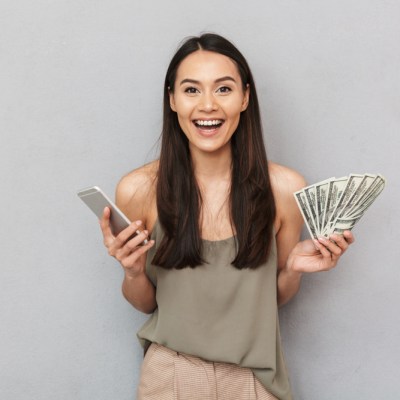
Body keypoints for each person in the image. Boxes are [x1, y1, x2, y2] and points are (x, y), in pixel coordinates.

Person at [100, 33, 354, 400]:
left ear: (245, 97)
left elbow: (272, 299)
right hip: (170, 375)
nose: (207, 106)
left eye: (223, 89)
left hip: (255, 380)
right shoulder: (138, 189)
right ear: (171, 99)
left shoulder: (284, 188)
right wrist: (133, 271)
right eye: (191, 90)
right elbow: (147, 303)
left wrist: (293, 269)